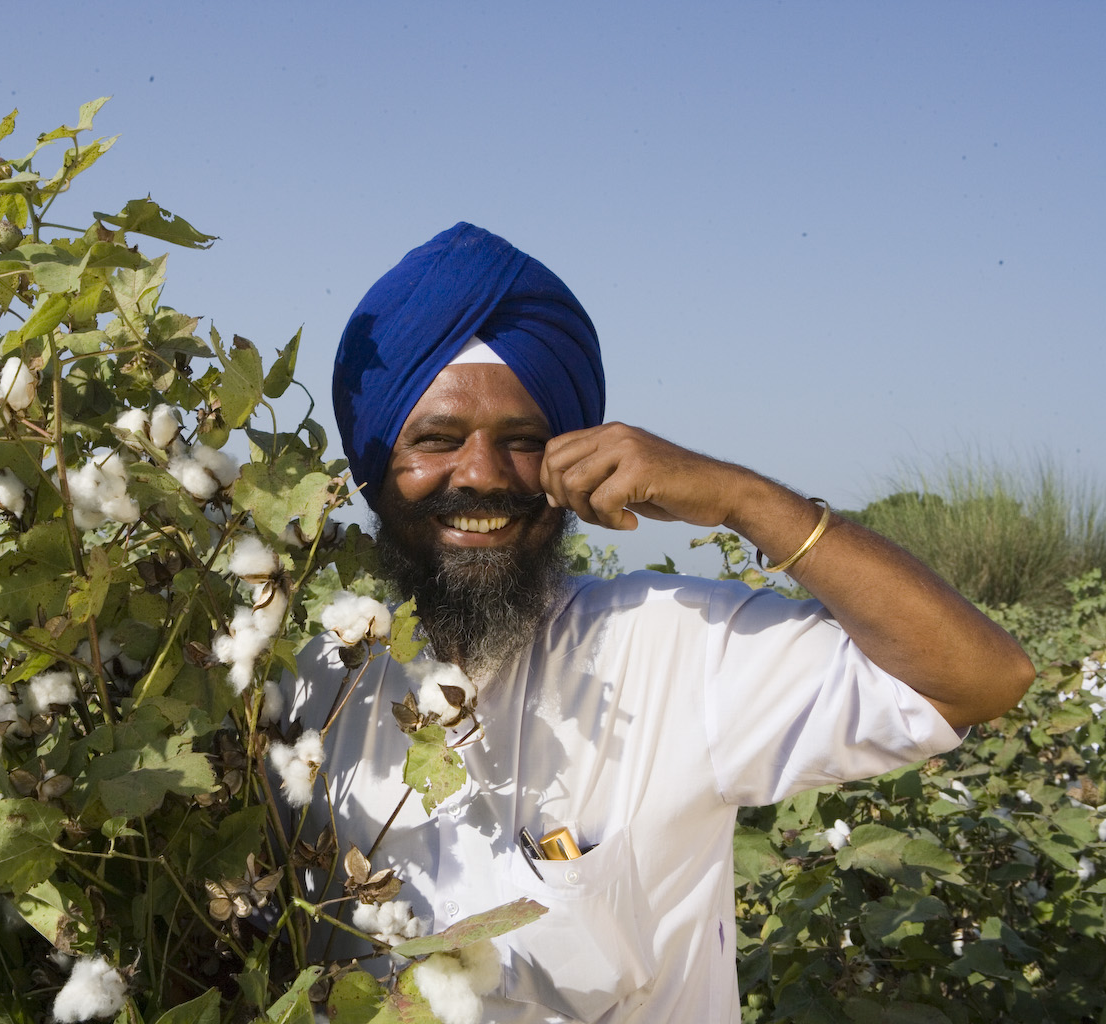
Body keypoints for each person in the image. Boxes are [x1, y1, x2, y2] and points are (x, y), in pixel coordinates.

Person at [284, 223, 1034, 1023]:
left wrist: (745, 499)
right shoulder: (310, 694)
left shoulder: (674, 643)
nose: (480, 474)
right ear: (372, 469)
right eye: (435, 440)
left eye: (524, 442)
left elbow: (982, 678)